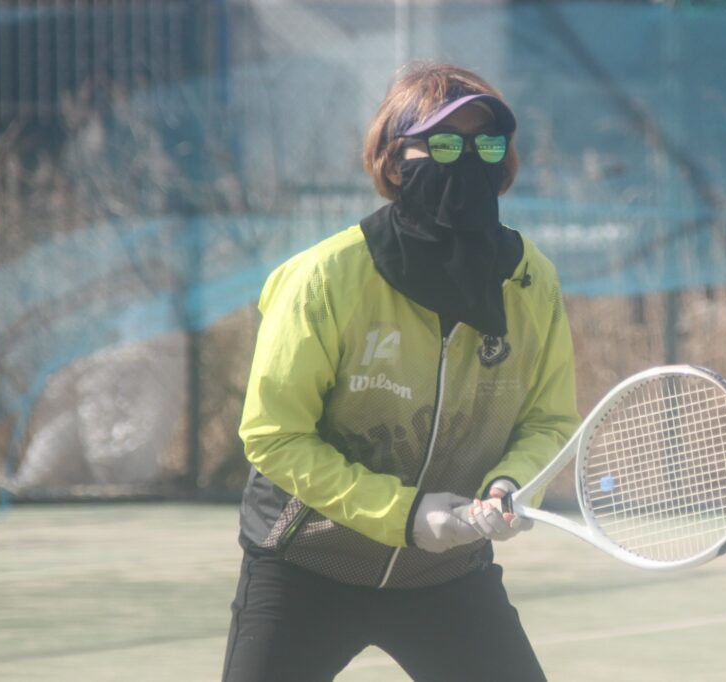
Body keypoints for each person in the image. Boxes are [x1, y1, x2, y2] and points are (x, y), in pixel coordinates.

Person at [221, 62, 579, 682]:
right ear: (393, 160)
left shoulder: (532, 280)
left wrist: (510, 485)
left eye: (487, 144)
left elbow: (548, 422)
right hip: (307, 567)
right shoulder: (324, 278)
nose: (468, 160)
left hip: (447, 573)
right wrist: (405, 515)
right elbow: (274, 436)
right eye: (443, 144)